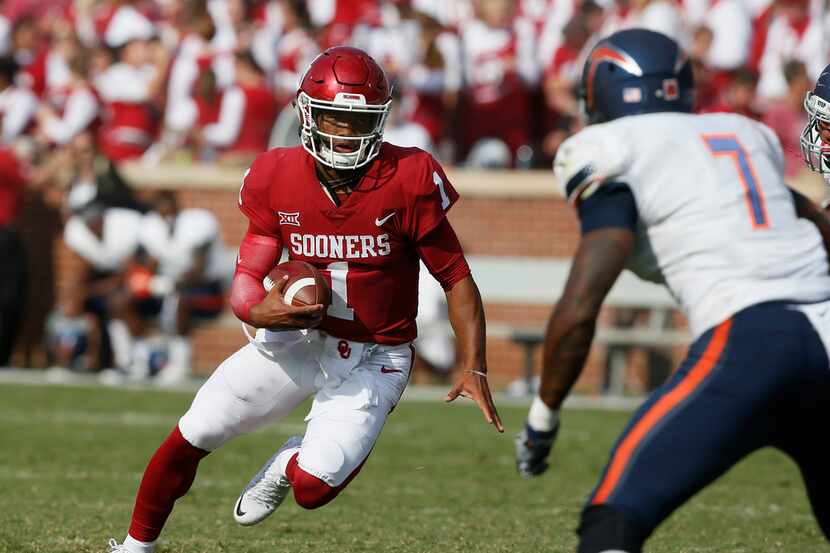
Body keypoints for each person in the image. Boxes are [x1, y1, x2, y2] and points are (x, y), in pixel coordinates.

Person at [106, 46, 502, 553]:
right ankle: (135, 547)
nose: (344, 134)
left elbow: (456, 276)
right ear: (307, 114)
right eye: (334, 118)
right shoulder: (277, 174)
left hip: (375, 353)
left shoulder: (410, 177)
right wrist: (254, 309)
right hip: (299, 338)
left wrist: (476, 365)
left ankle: (288, 462)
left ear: (379, 122)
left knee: (312, 490)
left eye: (357, 121)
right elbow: (248, 272)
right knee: (195, 431)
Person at [515, 29, 830, 553]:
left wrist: (543, 415)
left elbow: (583, 299)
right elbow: (811, 221)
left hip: (751, 339)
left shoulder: (605, 146)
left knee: (613, 518)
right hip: (823, 333)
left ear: (600, 93)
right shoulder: (742, 132)